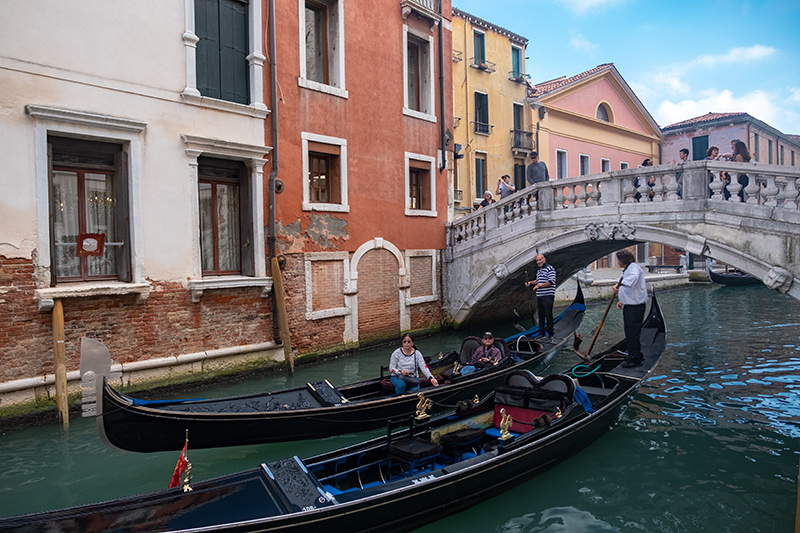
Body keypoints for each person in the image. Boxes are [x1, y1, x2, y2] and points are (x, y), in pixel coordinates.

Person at [612, 249, 648, 368]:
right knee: (630, 333)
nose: (617, 263)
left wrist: (618, 285)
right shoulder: (628, 269)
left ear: (623, 260)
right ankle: (636, 354)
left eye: (618, 261)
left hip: (635, 307)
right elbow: (623, 283)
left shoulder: (634, 268)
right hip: (630, 305)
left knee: (632, 333)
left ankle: (634, 359)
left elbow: (630, 281)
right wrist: (621, 300)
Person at [524, 254, 556, 341]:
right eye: (537, 260)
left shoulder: (550, 269)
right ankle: (541, 333)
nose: (539, 262)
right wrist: (530, 283)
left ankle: (550, 334)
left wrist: (539, 286)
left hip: (548, 296)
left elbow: (551, 282)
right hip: (540, 296)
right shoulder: (539, 271)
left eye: (540, 260)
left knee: (548, 315)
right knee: (541, 315)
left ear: (544, 259)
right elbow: (538, 280)